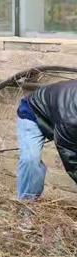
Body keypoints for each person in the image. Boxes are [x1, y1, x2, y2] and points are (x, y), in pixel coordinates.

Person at [17, 80, 77, 227]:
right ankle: (27, 210)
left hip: (55, 114)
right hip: (32, 113)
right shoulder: (70, 118)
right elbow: (70, 157)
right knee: (30, 160)